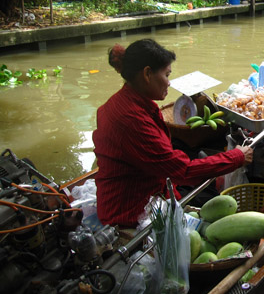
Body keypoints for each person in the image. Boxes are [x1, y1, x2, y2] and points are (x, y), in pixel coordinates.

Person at [93, 39, 253, 228]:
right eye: (166, 75)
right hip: (131, 213)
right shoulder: (131, 119)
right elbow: (183, 171)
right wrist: (236, 157)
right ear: (147, 74)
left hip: (151, 189)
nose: (169, 83)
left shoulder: (129, 103)